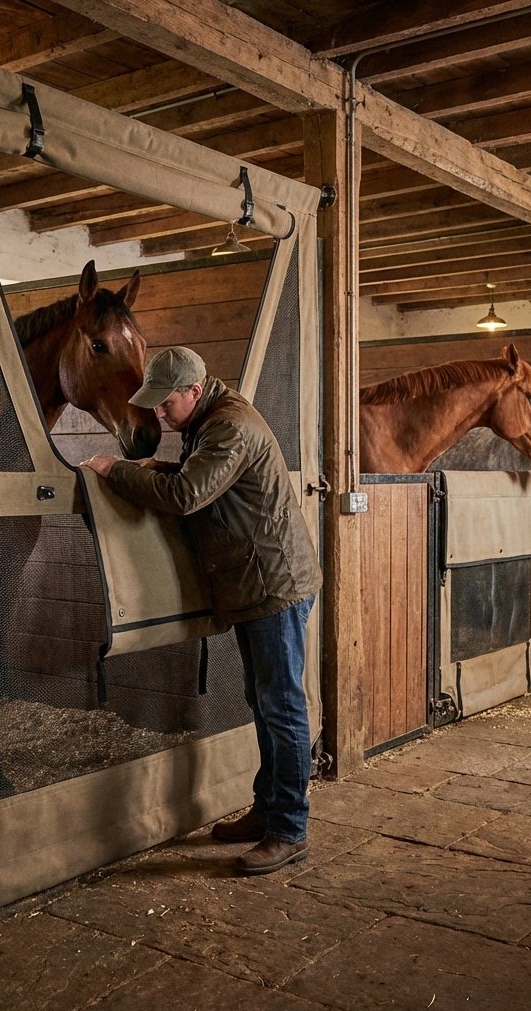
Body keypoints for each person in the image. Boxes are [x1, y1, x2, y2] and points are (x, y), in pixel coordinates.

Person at [81, 346, 322, 876]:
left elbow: (189, 493)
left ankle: (290, 828)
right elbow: (206, 475)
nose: (159, 416)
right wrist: (159, 463)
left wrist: (117, 471)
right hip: (255, 584)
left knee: (281, 707)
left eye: (166, 405)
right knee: (265, 703)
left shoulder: (229, 424)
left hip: (272, 585)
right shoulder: (211, 419)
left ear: (194, 390)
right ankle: (269, 809)